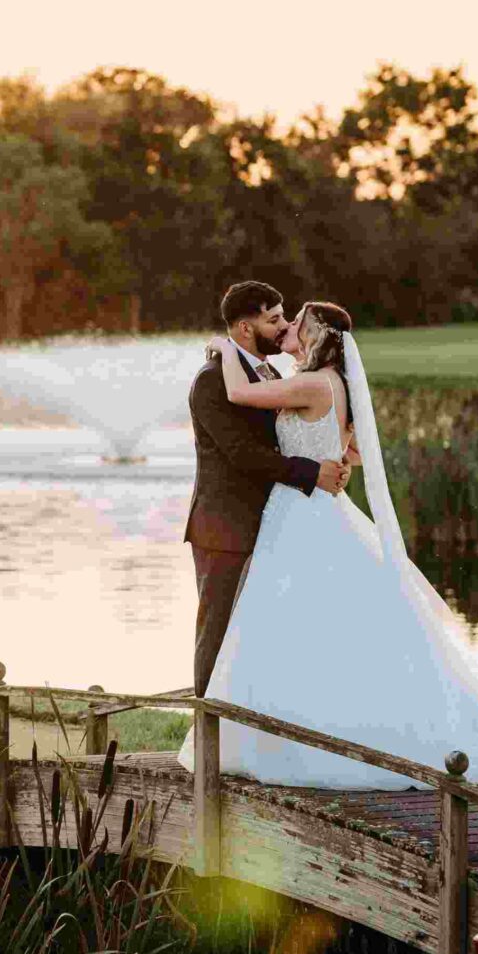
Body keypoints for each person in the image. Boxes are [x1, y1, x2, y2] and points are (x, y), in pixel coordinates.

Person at [177, 299, 478, 788]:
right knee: (320, 626)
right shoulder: (330, 384)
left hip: (299, 513)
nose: (287, 327)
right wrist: (330, 456)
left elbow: (238, 393)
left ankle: (286, 737)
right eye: (279, 319)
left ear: (317, 336)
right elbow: (355, 450)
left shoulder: (311, 382)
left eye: (295, 321)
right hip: (311, 508)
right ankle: (300, 727)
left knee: (292, 625)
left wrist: (221, 347)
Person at [182, 281, 350, 699]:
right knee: (218, 635)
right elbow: (243, 454)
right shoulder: (211, 381)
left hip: (276, 525)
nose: (282, 327)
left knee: (259, 640)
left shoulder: (273, 375)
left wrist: (337, 455)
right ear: (243, 328)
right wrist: (313, 472)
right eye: (273, 319)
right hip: (226, 527)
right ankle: (210, 741)